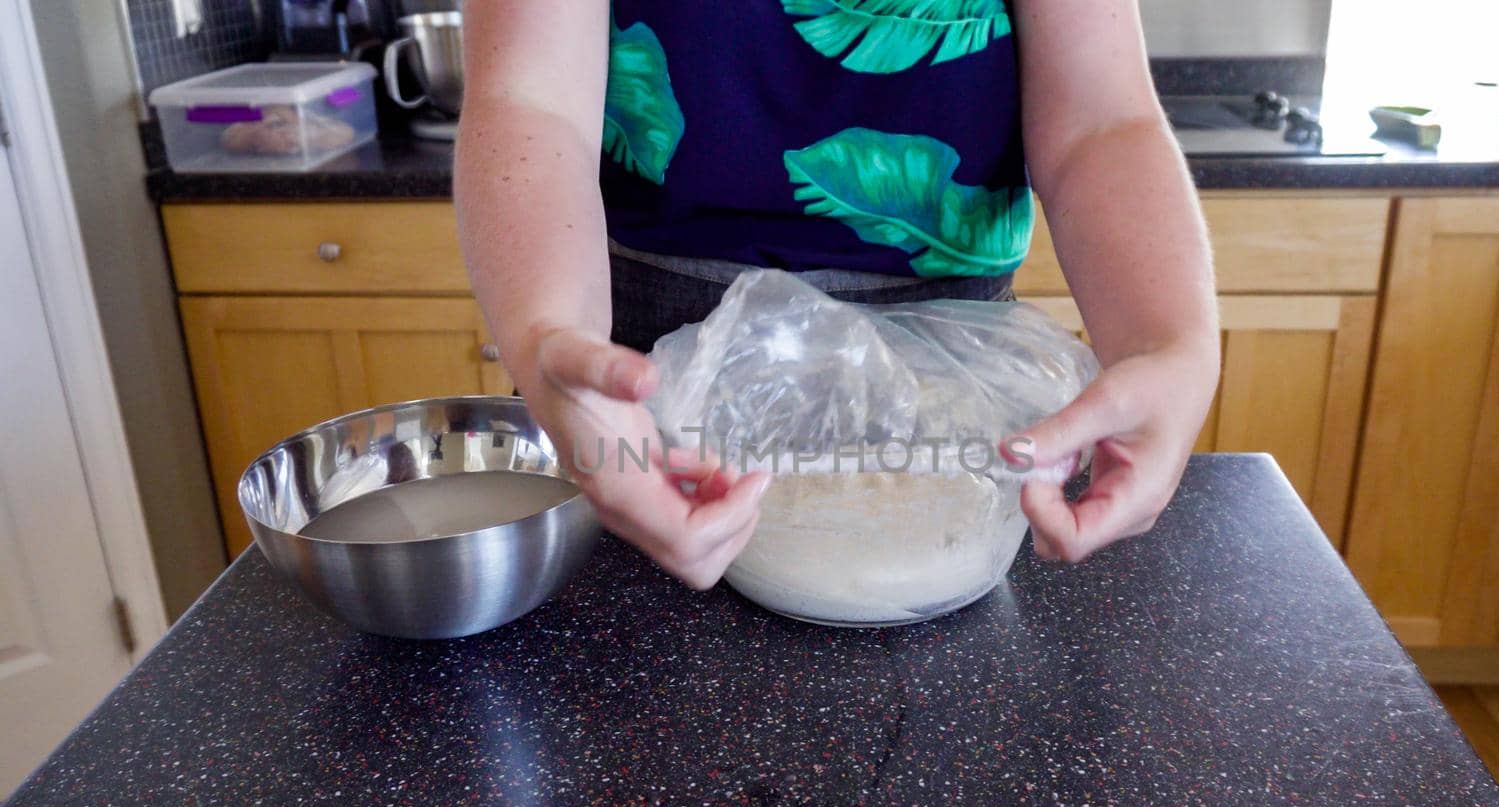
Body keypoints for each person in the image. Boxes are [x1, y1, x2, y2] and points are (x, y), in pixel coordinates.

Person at [455, 1, 1220, 590]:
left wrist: (1169, 341)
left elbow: (1102, 119)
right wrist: (546, 326)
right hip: (634, 384)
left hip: (954, 378)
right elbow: (532, 98)